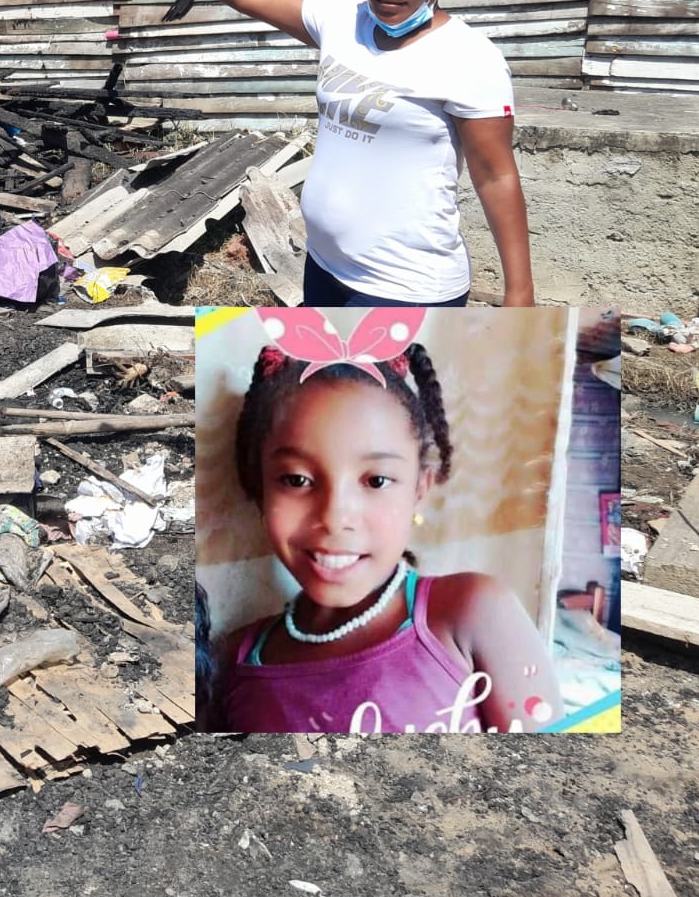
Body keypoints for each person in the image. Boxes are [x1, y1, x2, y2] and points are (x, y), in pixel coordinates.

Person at [93, 0, 533, 307]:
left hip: (405, 289)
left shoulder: (470, 57)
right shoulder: (344, 21)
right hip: (324, 267)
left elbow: (495, 176)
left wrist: (519, 293)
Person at [210, 309, 562, 734]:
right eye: (297, 480)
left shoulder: (472, 611)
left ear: (419, 488)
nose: (336, 518)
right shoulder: (232, 661)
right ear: (259, 490)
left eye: (376, 480)